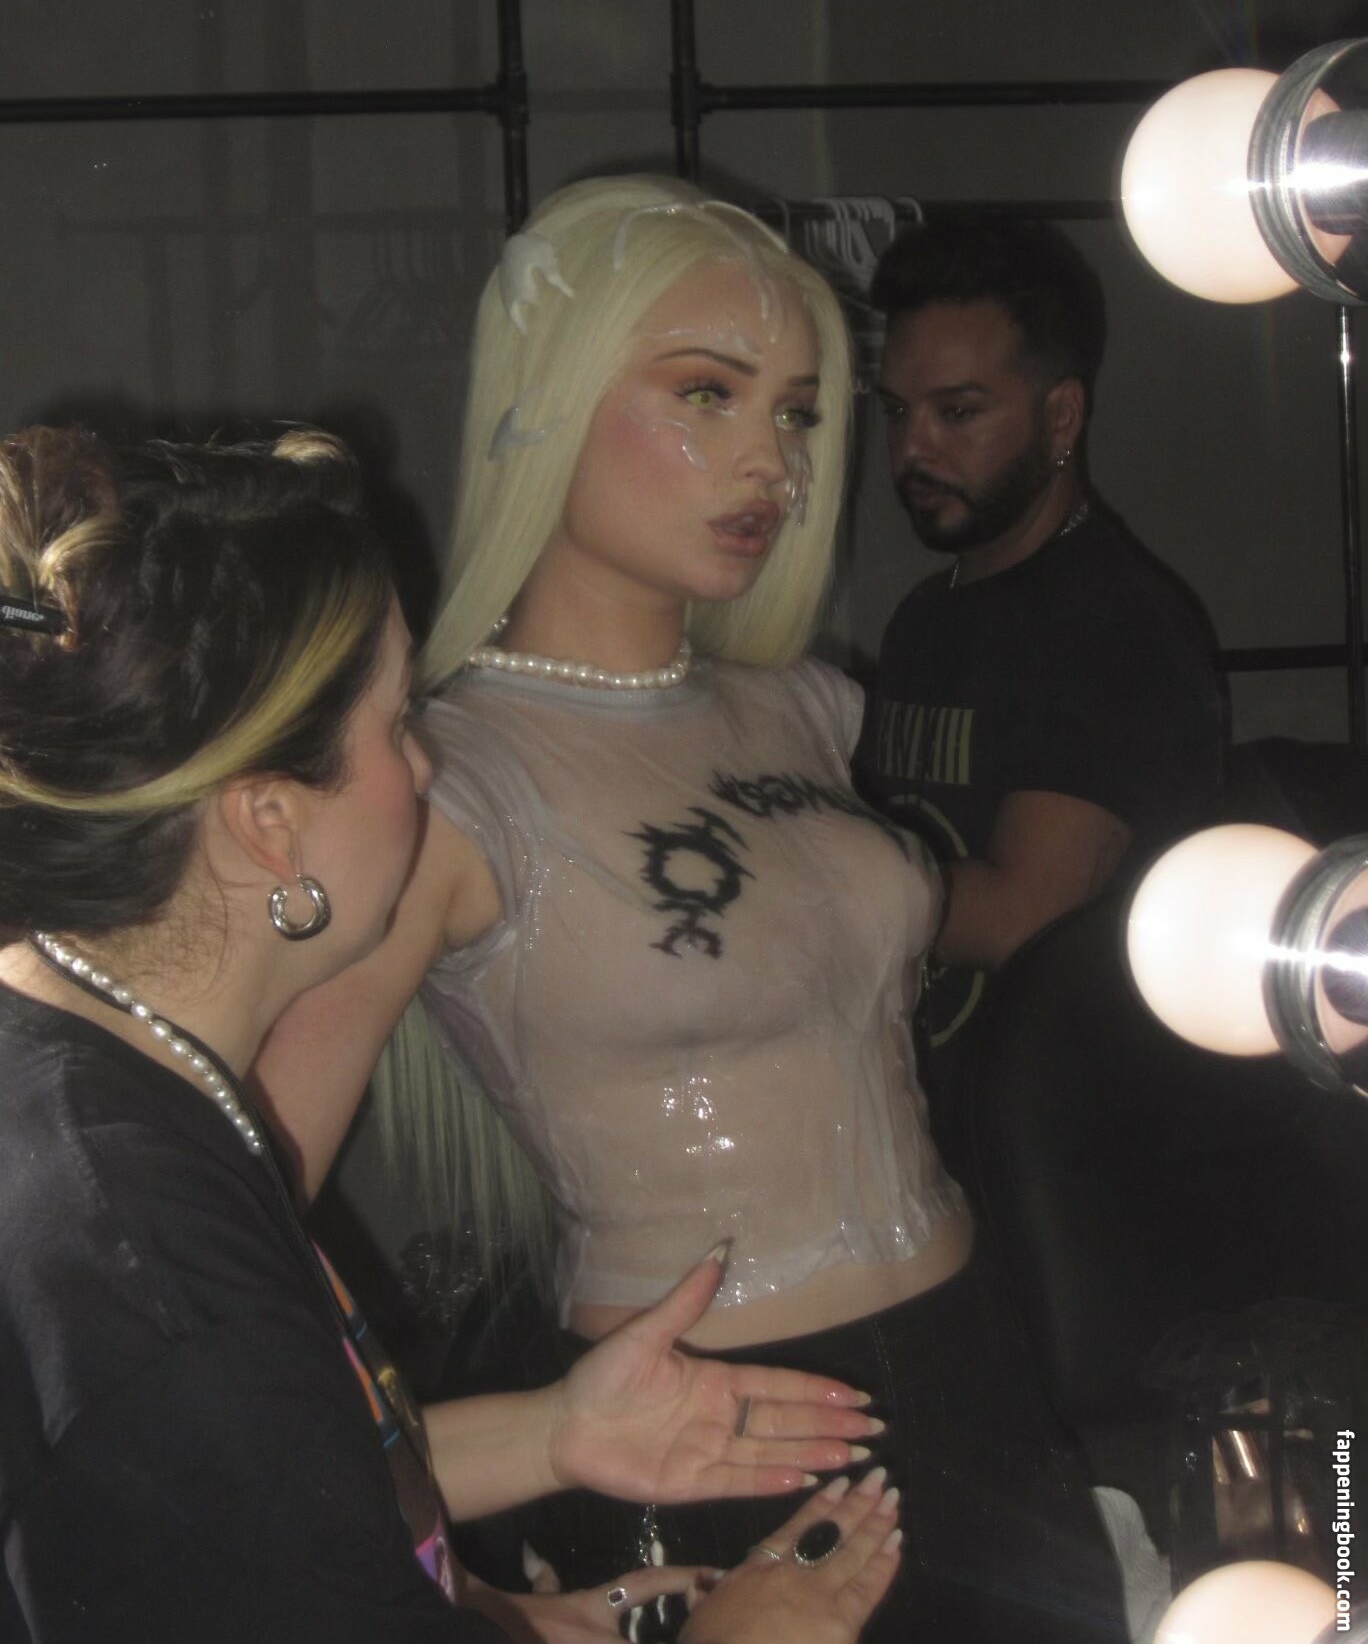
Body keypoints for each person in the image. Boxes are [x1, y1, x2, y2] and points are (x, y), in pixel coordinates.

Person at [259, 176, 1130, 1643]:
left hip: (976, 1362)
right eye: (706, 394)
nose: (770, 462)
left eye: (796, 412)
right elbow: (230, 1214)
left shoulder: (810, 706)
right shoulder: (448, 780)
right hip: (713, 1430)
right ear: (544, 404)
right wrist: (437, 1549)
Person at [0, 423, 902, 1644]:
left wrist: (552, 1444)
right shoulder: (152, 1273)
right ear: (271, 824)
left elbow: (261, 1514)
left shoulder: (89, 1064)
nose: (423, 771)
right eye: (395, 726)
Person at [851, 215, 1225, 1169]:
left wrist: (791, 872)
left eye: (957, 412)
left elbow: (1027, 919)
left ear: (1060, 417)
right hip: (929, 1148)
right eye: (896, 411)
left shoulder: (1116, 622)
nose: (912, 448)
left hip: (1076, 1169)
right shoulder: (925, 616)